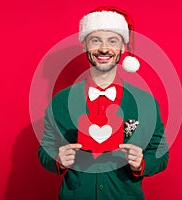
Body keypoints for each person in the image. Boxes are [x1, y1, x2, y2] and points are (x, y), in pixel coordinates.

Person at [38, 6, 169, 200]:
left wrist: (141, 162)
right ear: (84, 46)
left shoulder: (145, 102)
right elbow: (44, 149)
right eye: (95, 40)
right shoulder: (61, 101)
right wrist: (58, 160)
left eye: (113, 41)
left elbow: (161, 154)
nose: (104, 49)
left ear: (123, 47)